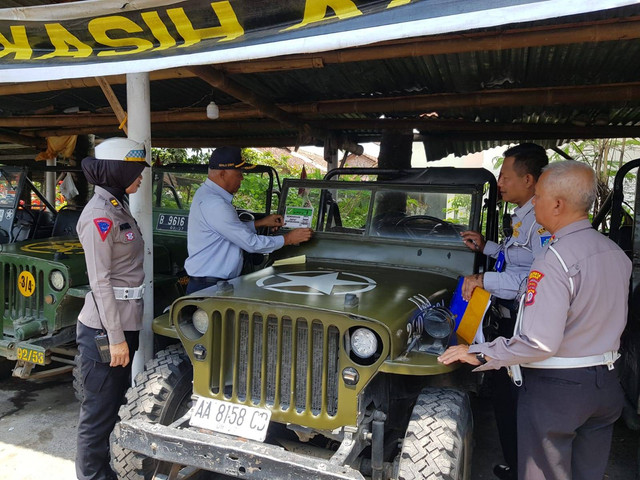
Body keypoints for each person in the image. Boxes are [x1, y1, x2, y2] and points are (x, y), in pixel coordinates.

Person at [439, 161, 632, 480]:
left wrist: (480, 352)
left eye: (538, 196)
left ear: (557, 204)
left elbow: (538, 343)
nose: (534, 203)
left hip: (559, 392)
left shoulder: (553, 260)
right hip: (607, 385)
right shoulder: (613, 252)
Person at [459, 143, 549, 480]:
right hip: (509, 315)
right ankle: (517, 461)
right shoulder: (524, 216)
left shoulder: (539, 222)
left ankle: (521, 467)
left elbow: (533, 278)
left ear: (528, 179)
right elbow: (516, 257)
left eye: (505, 177)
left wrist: (483, 278)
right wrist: (487, 247)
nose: (500, 183)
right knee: (505, 395)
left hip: (522, 322)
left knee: (514, 398)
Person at [75, 137, 149, 480]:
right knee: (98, 414)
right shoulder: (100, 215)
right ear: (119, 170)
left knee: (112, 406)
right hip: (106, 329)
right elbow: (100, 281)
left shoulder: (117, 205)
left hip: (123, 322)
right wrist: (116, 339)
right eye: (136, 170)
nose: (141, 177)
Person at [185, 147, 313, 294]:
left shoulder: (204, 194)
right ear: (222, 173)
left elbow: (225, 231)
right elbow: (251, 243)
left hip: (209, 283)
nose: (242, 178)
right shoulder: (216, 204)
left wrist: (260, 223)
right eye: (239, 173)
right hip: (210, 288)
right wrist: (288, 239)